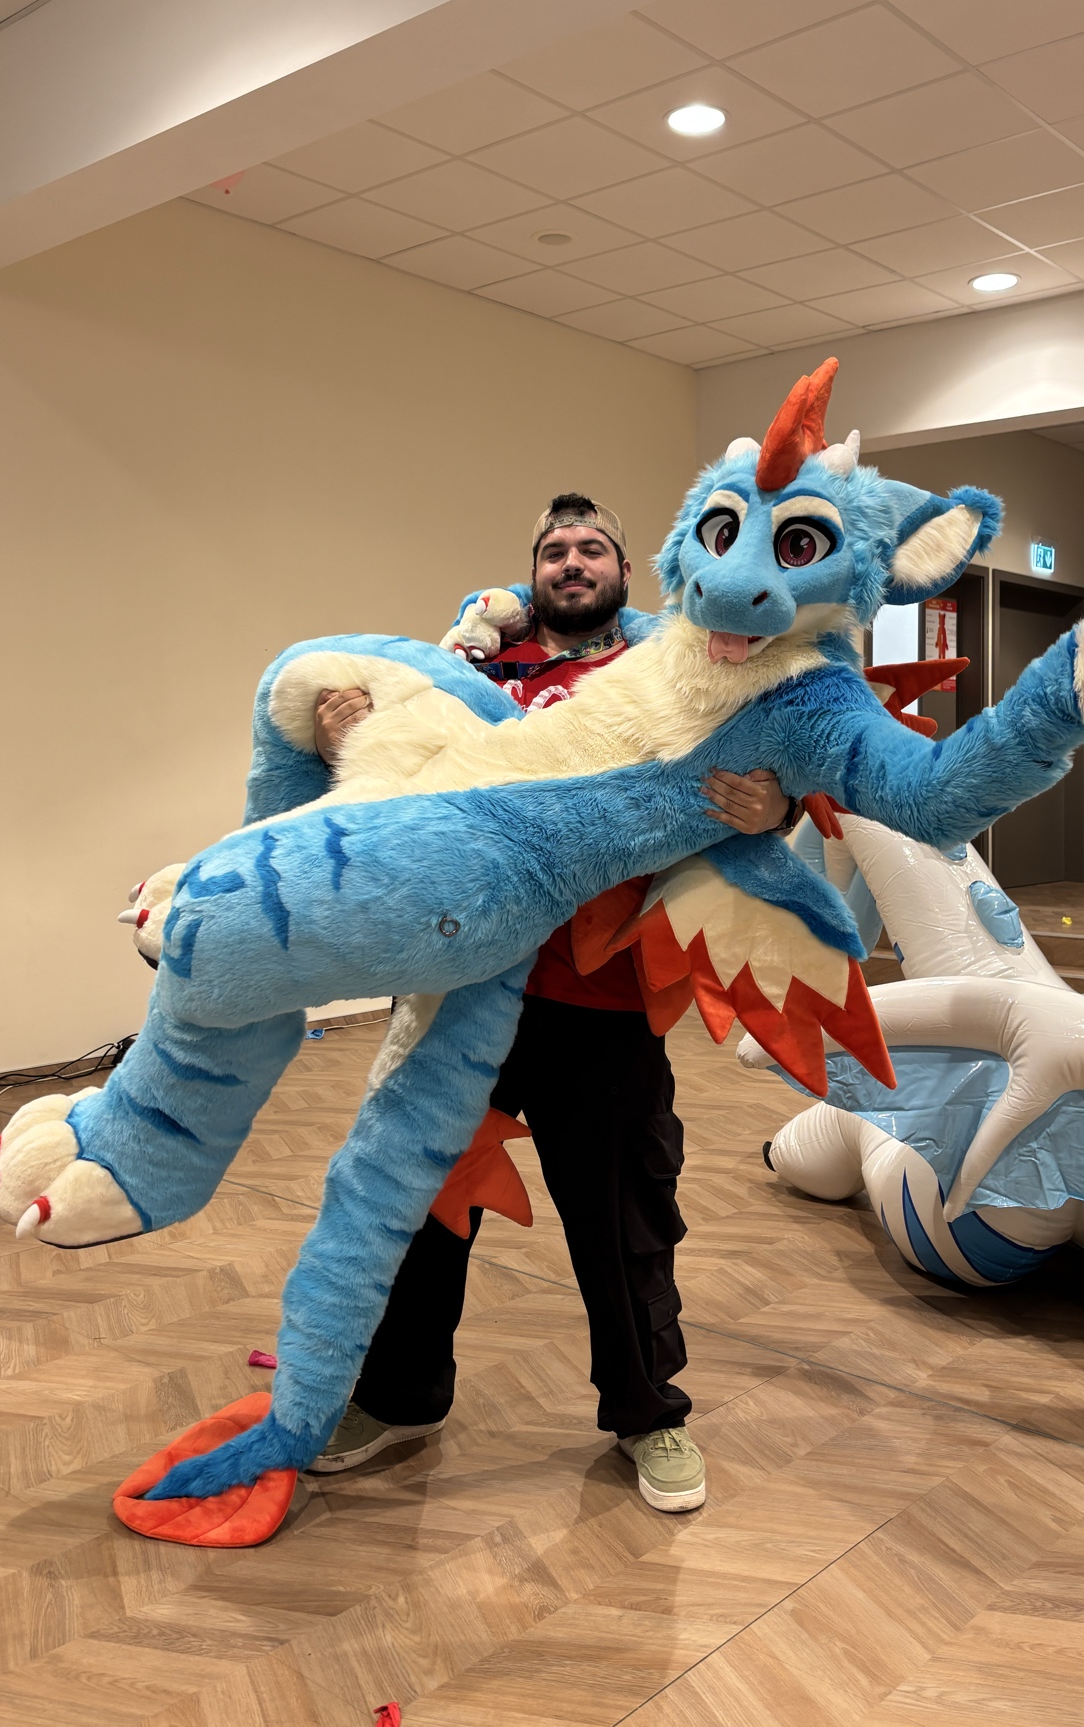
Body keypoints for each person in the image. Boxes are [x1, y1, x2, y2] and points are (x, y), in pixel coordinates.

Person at [308, 493, 795, 1511]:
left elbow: (775, 760)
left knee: (622, 1220)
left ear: (624, 570)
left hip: (603, 998)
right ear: (531, 574)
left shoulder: (675, 672)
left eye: (591, 548)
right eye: (554, 550)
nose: (572, 561)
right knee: (422, 1202)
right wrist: (342, 735)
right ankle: (398, 1395)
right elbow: (397, 783)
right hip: (457, 991)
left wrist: (777, 807)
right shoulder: (470, 671)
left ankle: (648, 1412)